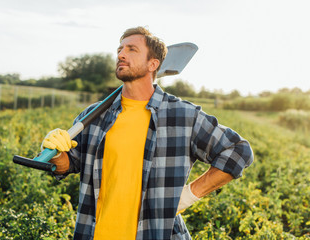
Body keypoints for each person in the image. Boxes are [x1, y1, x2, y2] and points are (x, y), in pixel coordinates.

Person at [41, 26, 254, 240]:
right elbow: (69, 164)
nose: (121, 54)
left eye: (131, 49)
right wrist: (57, 152)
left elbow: (238, 151)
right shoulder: (95, 115)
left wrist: (189, 195)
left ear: (153, 64)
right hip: (94, 233)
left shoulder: (182, 116)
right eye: (120, 49)